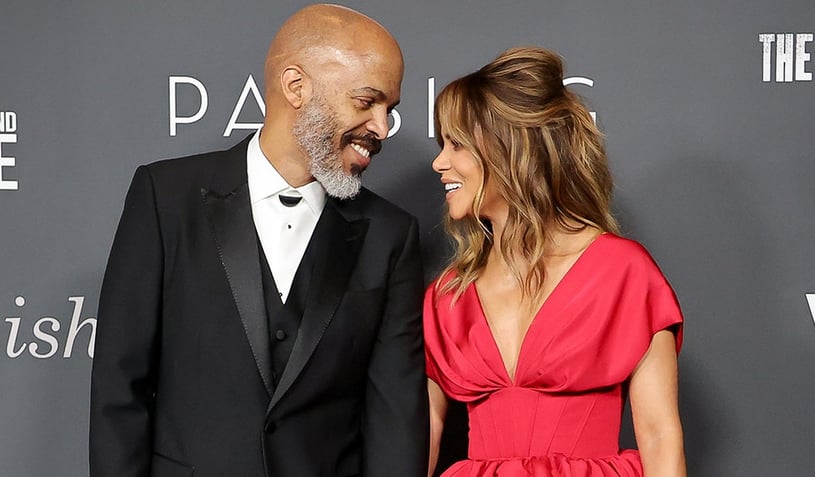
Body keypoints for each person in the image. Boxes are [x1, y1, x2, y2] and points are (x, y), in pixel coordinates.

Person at [89, 5, 428, 477]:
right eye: (366, 101)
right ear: (296, 86)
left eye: (388, 109)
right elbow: (118, 389)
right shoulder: (165, 198)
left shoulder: (390, 234)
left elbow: (395, 416)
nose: (382, 127)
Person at [425, 47, 686, 477]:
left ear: (508, 148)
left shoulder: (622, 272)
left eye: (456, 144)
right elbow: (419, 441)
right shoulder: (447, 297)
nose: (440, 162)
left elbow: (661, 439)